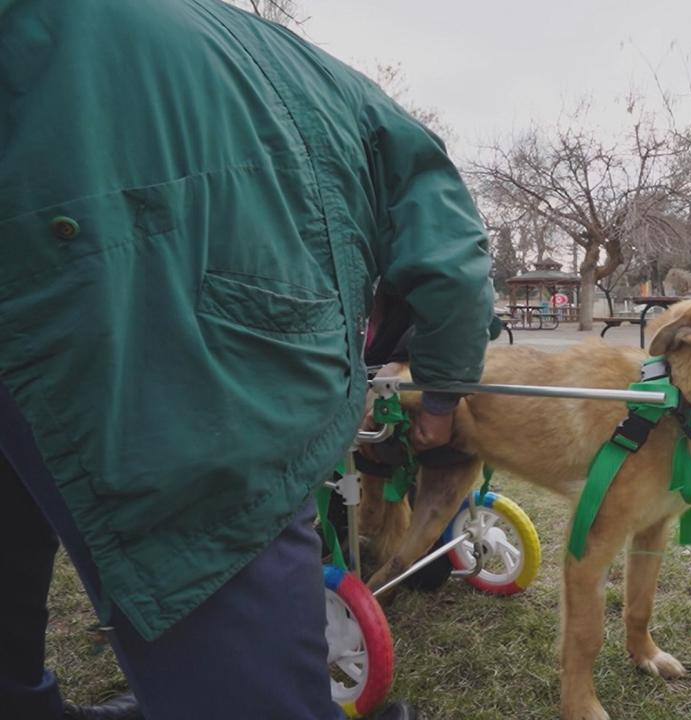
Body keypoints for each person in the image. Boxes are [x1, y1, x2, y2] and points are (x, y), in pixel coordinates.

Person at [0, 1, 495, 718]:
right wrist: (443, 400)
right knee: (214, 524)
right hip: (116, 268)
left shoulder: (242, 46)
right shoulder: (390, 130)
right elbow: (453, 272)